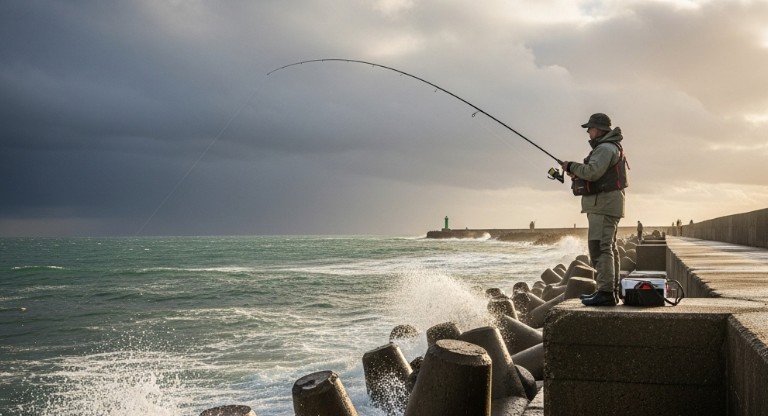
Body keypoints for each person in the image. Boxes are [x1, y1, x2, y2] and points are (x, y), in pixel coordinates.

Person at [560, 113, 628, 306]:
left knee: (599, 247)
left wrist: (572, 166)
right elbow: (597, 174)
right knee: (608, 247)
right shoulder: (609, 147)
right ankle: (608, 291)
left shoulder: (605, 148)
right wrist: (576, 172)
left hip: (603, 205)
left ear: (599, 129)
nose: (588, 132)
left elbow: (592, 172)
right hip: (606, 204)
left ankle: (606, 293)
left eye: (590, 128)